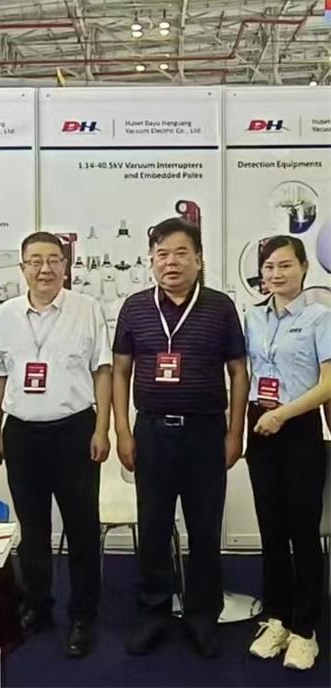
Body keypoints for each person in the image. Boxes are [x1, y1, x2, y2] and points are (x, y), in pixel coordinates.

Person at [112, 217, 248, 658]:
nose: (170, 262)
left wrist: (235, 431)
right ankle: (152, 613)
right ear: (151, 260)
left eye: (180, 253)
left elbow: (238, 372)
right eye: (161, 254)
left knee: (205, 529)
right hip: (151, 432)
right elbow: (120, 371)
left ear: (199, 259)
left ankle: (202, 616)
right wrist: (122, 430)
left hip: (206, 433)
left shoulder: (220, 307)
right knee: (153, 528)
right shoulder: (135, 307)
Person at [0, 231, 112, 658]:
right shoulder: (5, 315)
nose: (45, 269)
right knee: (33, 530)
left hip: (75, 431)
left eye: (54, 260)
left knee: (82, 529)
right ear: (22, 267)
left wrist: (102, 429)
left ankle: (83, 616)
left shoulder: (87, 309)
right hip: (22, 434)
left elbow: (102, 371)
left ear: (66, 265)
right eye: (35, 261)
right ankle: (38, 607)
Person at [244, 236, 331, 671]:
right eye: (269, 267)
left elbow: (328, 384)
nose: (276, 274)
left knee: (303, 531)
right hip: (259, 427)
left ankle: (305, 629)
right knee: (271, 530)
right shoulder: (252, 318)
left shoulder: (320, 318)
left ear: (303, 268)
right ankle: (277, 619)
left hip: (298, 426)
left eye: (285, 265)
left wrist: (283, 414)